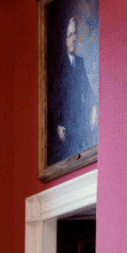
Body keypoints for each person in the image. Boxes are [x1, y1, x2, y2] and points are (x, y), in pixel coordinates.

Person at [50, 16, 97, 164]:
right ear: (64, 40)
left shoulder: (80, 62)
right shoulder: (57, 66)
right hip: (66, 127)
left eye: (75, 34)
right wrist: (57, 125)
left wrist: (95, 106)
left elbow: (88, 90)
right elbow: (53, 99)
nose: (74, 39)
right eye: (69, 35)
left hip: (80, 123)